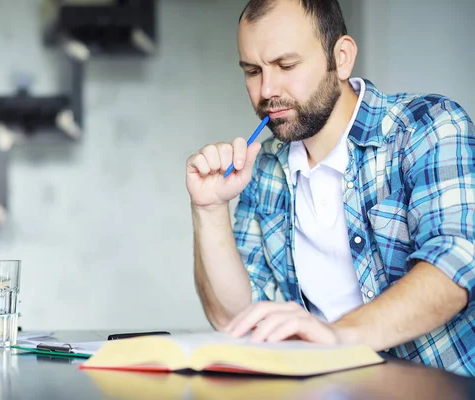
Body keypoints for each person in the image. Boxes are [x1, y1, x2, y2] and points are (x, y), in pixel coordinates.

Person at [185, 0, 475, 376]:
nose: (267, 89)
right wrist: (208, 209)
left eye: (286, 66)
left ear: (341, 57)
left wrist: (336, 338)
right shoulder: (265, 167)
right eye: (253, 71)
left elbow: (456, 263)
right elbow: (234, 319)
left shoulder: (429, 128)